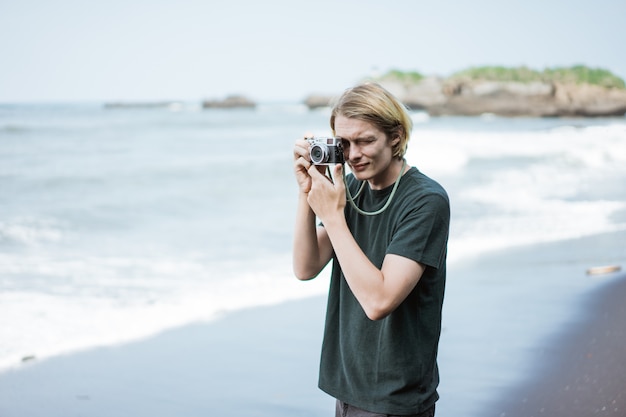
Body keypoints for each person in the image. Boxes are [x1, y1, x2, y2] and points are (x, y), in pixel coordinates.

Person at [292, 82, 450, 417]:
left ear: (395, 136)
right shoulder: (349, 189)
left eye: (365, 141)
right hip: (349, 384)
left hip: (394, 394)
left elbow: (379, 301)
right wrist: (308, 191)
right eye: (344, 143)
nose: (353, 155)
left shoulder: (425, 200)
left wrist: (333, 216)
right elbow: (305, 268)